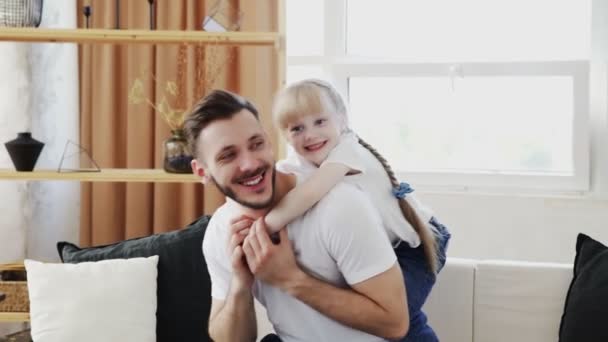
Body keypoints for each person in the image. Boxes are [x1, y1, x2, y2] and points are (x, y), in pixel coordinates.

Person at [185, 89, 409, 342]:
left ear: (270, 142)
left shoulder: (339, 205)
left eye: (256, 144)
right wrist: (239, 284)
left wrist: (291, 279)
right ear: (202, 171)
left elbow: (395, 323)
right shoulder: (221, 229)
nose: (249, 164)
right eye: (228, 155)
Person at [264, 79, 451, 341]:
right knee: (354, 309)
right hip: (385, 244)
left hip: (417, 247)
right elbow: (281, 178)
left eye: (320, 122)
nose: (310, 135)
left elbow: (311, 191)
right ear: (285, 135)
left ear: (342, 120)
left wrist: (264, 226)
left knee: (390, 317)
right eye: (297, 128)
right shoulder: (302, 160)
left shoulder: (348, 150)